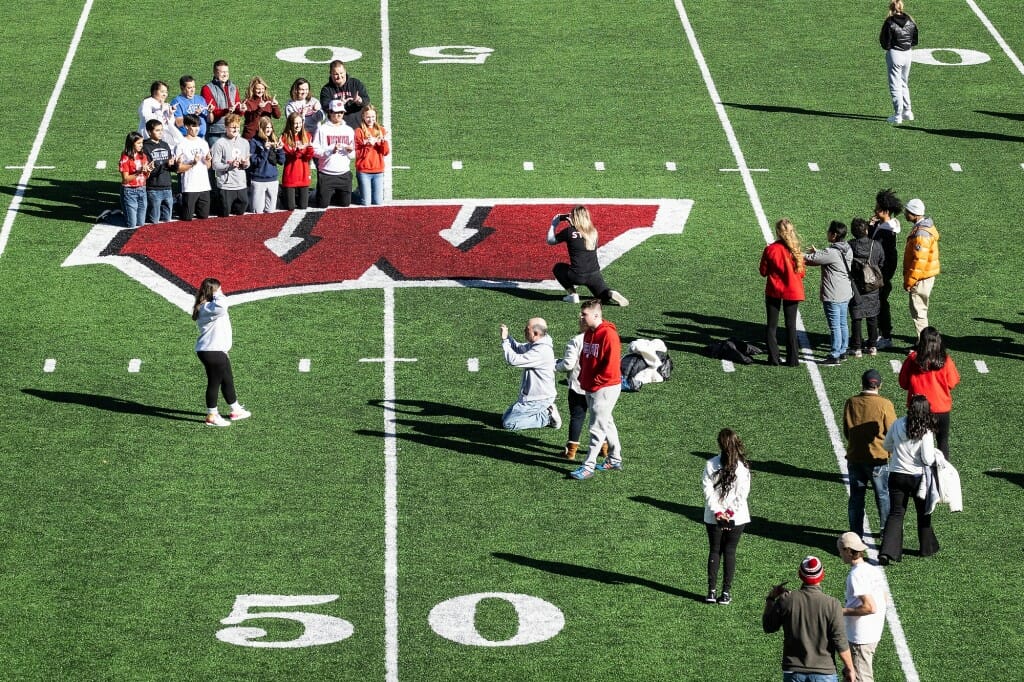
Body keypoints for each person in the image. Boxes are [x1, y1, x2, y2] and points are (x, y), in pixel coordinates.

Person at [763, 556, 856, 682]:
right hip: (825, 672)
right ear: (822, 574)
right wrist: (850, 668)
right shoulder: (832, 604)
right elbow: (840, 640)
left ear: (800, 575)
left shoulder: (786, 600)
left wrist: (770, 599)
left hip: (793, 671)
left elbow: (768, 626)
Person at [878, 395, 939, 564]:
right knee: (924, 512)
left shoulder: (898, 424)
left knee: (896, 514)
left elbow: (887, 445)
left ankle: (887, 552)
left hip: (897, 475)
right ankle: (926, 548)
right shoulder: (925, 431)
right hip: (918, 477)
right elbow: (927, 458)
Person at [571, 300, 623, 480]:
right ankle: (615, 458)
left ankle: (588, 466)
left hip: (605, 387)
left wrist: (594, 383)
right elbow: (585, 358)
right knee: (606, 422)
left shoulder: (608, 335)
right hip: (591, 385)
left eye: (584, 314)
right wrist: (583, 378)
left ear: (595, 315)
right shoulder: (588, 333)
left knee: (596, 428)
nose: (581, 317)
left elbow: (611, 366)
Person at [843, 369, 896, 540]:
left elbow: (846, 430)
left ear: (862, 383)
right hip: (878, 458)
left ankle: (855, 534)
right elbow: (892, 432)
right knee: (882, 496)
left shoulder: (851, 402)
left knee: (856, 498)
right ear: (879, 385)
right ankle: (885, 532)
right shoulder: (885, 404)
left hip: (855, 456)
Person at [702, 428, 752, 606]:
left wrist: (717, 512)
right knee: (730, 552)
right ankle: (725, 593)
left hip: (713, 517)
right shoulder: (742, 468)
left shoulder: (710, 464)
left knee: (715, 550)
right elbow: (742, 495)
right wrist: (729, 513)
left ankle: (711, 591)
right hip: (736, 518)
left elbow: (708, 492)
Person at [192, 278, 251, 427]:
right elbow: (222, 306)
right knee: (214, 383)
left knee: (227, 380)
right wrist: (217, 292)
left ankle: (236, 409)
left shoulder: (207, 306)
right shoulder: (207, 308)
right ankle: (212, 415)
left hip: (217, 350)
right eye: (220, 289)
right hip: (212, 351)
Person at [546, 206, 629, 306]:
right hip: (594, 274)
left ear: (574, 218)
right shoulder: (593, 232)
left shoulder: (569, 232)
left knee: (558, 268)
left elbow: (550, 240)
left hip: (577, 275)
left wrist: (554, 224)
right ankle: (610, 293)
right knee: (601, 295)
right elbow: (581, 238)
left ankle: (572, 295)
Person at [898, 327, 959, 459]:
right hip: (941, 409)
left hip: (919, 409)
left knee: (916, 443)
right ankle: (942, 473)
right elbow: (953, 382)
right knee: (942, 443)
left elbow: (903, 383)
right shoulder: (946, 360)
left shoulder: (912, 359)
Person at [837, 532, 888, 682]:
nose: (840, 555)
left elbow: (870, 607)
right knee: (850, 674)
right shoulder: (872, 569)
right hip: (872, 632)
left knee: (861, 677)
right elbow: (884, 598)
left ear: (847, 550)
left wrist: (841, 611)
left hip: (861, 636)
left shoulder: (856, 575)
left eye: (840, 551)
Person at [805, 221, 855, 365]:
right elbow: (827, 256)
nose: (827, 233)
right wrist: (819, 252)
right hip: (845, 293)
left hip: (833, 294)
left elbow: (808, 259)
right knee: (843, 323)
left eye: (829, 231)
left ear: (834, 235)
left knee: (835, 326)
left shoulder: (831, 252)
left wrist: (793, 251)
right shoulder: (847, 248)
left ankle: (834, 355)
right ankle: (843, 350)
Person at [760, 218, 807, 367]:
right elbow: (801, 273)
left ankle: (773, 358)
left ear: (778, 232)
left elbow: (763, 271)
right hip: (793, 291)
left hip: (774, 291)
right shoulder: (795, 249)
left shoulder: (770, 249)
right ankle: (793, 359)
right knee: (791, 326)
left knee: (771, 326)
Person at [499, 318, 559, 431]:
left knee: (509, 423)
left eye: (527, 329)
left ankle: (546, 416)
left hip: (539, 398)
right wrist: (507, 337)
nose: (524, 330)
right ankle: (545, 411)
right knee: (505, 417)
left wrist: (504, 341)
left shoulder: (541, 351)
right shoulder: (538, 342)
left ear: (536, 333)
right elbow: (519, 348)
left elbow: (513, 360)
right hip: (534, 396)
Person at [869, 189, 902, 349]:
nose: (875, 209)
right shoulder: (883, 226)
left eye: (877, 207)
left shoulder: (887, 232)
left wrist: (882, 276)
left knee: (880, 304)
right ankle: (880, 334)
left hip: (880, 274)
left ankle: (885, 335)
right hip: (879, 274)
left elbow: (884, 255)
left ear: (886, 211)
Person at [902, 198, 939, 338]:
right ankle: (922, 342)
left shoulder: (921, 234)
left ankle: (923, 345)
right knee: (920, 312)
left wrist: (909, 281)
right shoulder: (924, 228)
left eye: (908, 211)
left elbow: (919, 262)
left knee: (919, 313)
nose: (905, 213)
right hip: (924, 276)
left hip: (920, 278)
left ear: (915, 214)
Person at [848, 218, 885, 357]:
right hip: (872, 286)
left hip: (855, 285)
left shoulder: (849, 246)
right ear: (866, 230)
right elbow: (881, 261)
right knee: (872, 315)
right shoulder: (876, 245)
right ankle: (872, 346)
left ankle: (856, 347)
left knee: (856, 316)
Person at [880, 1, 918, 124]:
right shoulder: (910, 20)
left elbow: (884, 42)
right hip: (908, 54)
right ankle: (908, 112)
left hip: (895, 54)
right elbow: (915, 40)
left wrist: (892, 48)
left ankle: (897, 116)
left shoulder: (889, 22)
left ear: (891, 8)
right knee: (903, 83)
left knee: (895, 86)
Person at [312, 100, 356, 208]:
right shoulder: (322, 129)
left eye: (341, 112)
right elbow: (314, 150)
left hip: (344, 174)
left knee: (345, 204)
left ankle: (333, 193)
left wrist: (350, 151)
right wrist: (330, 151)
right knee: (322, 205)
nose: (339, 115)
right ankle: (315, 193)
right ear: (330, 112)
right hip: (326, 174)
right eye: (336, 112)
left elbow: (353, 154)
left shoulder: (349, 130)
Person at [210, 113, 250, 216]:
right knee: (224, 214)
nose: (236, 129)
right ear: (226, 127)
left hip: (241, 184)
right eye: (233, 127)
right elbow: (215, 165)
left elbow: (247, 163)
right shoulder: (219, 143)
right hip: (226, 185)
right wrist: (229, 166)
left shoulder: (244, 143)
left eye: (237, 126)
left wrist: (245, 164)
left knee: (240, 212)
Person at [174, 114, 212, 221]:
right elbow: (178, 169)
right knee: (187, 218)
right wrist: (192, 163)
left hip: (204, 186)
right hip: (190, 186)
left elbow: (208, 166)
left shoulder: (203, 143)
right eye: (194, 126)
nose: (197, 129)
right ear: (186, 126)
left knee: (204, 217)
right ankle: (177, 203)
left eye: (198, 126)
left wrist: (208, 160)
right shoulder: (181, 144)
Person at [202, 60, 245, 148]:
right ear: (215, 72)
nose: (225, 74)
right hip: (216, 133)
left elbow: (238, 112)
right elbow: (213, 111)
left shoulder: (233, 87)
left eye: (226, 72)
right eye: (222, 72)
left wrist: (241, 109)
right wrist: (227, 110)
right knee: (217, 160)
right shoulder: (207, 88)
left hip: (232, 131)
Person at [142, 120, 178, 223]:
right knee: (154, 221)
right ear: (149, 132)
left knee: (167, 220)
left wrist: (175, 164)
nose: (161, 132)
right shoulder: (145, 147)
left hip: (167, 187)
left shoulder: (165, 145)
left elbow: (170, 167)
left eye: (161, 130)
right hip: (153, 188)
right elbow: (149, 171)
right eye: (157, 130)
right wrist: (164, 164)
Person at [319, 60, 370, 130]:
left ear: (345, 71)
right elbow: (325, 107)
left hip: (358, 127)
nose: (339, 76)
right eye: (336, 74)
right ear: (330, 74)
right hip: (337, 129)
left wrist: (359, 100)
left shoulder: (355, 83)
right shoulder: (326, 89)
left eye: (341, 73)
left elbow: (366, 100)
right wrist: (339, 104)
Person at [247, 116, 284, 214]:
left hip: (272, 180)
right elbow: (256, 163)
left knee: (270, 212)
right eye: (267, 127)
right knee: (257, 212)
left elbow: (281, 161)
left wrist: (280, 149)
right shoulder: (254, 142)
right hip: (258, 180)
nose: (269, 130)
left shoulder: (274, 139)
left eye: (270, 127)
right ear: (261, 128)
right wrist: (265, 150)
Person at [354, 105, 389, 206]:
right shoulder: (359, 131)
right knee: (366, 203)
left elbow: (386, 152)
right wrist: (369, 145)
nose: (371, 119)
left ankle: (361, 191)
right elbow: (359, 154)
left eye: (373, 117)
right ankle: (352, 194)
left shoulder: (381, 130)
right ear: (363, 117)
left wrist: (382, 142)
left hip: (378, 170)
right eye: (368, 117)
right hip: (364, 171)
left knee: (378, 202)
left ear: (376, 117)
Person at [281, 112, 315, 210]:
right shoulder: (284, 137)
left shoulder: (307, 136)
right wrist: (300, 149)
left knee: (303, 206)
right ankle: (282, 193)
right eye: (295, 123)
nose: (298, 126)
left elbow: (308, 157)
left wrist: (309, 148)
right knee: (290, 207)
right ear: (290, 124)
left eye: (300, 123)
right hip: (290, 175)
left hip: (303, 174)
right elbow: (292, 156)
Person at [118, 131, 152, 228]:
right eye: (138, 143)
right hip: (129, 191)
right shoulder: (125, 157)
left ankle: (125, 215)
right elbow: (125, 179)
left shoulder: (143, 156)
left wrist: (148, 171)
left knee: (140, 223)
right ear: (131, 143)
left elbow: (145, 177)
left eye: (142, 143)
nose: (141, 145)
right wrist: (139, 172)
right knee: (131, 224)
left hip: (142, 189)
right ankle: (109, 216)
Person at [138, 80, 183, 148]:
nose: (165, 94)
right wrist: (161, 110)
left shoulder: (166, 105)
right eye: (162, 92)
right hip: (149, 141)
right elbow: (147, 119)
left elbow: (169, 124)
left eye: (166, 92)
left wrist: (170, 114)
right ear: (154, 91)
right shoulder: (147, 102)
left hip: (164, 140)